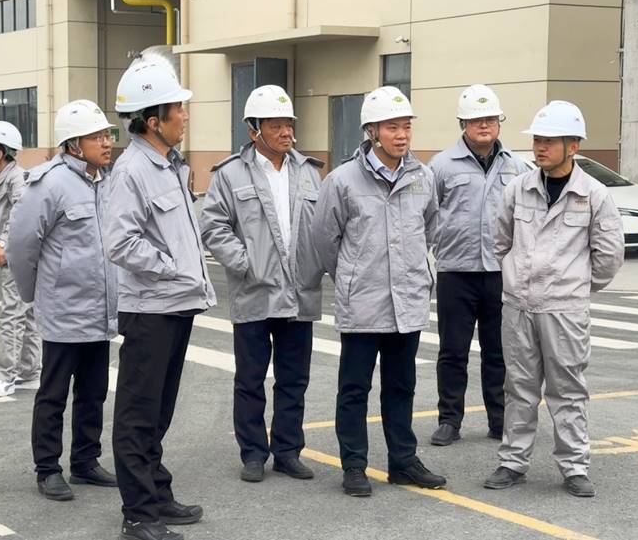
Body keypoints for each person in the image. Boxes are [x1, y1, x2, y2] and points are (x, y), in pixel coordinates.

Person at [483, 100, 625, 498]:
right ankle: (513, 462)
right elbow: (500, 240)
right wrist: (516, 278)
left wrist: (576, 288)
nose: (540, 148)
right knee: (518, 388)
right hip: (519, 307)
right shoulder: (518, 188)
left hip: (565, 311)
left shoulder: (593, 194)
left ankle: (575, 467)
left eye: (549, 141)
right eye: (537, 140)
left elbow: (609, 255)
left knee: (568, 390)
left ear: (573, 146)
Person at [312, 86, 446, 497]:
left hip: (407, 300)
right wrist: (352, 277)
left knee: (401, 387)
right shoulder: (342, 181)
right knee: (354, 390)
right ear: (372, 132)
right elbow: (324, 240)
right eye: (392, 127)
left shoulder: (422, 177)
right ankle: (354, 465)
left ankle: (403, 462)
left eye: (406, 126)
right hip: (363, 302)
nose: (402, 135)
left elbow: (431, 228)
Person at [106, 60, 216, 540]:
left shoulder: (171, 164)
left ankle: (156, 492)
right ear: (154, 121)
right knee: (138, 412)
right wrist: (173, 268)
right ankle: (138, 514)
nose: (185, 116)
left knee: (160, 409)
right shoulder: (132, 170)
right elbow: (120, 242)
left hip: (175, 304)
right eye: (179, 109)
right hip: (150, 307)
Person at [201, 85, 325, 483]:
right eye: (276, 125)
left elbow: (324, 226)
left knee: (294, 380)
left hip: (299, 293)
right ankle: (253, 453)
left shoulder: (308, 172)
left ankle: (288, 451)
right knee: (250, 380)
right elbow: (213, 226)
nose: (287, 132)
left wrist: (319, 266)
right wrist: (246, 264)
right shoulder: (230, 174)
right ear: (254, 130)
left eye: (289, 124)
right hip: (254, 292)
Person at [6, 100, 119, 501]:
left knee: (94, 392)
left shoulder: (105, 181)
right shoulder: (50, 184)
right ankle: (47, 469)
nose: (107, 142)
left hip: (100, 311)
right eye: (97, 137)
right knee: (53, 395)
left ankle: (86, 462)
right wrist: (34, 294)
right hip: (64, 311)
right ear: (73, 144)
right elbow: (21, 246)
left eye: (108, 135)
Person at [428, 84, 524, 446]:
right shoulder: (441, 166)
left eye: (490, 119)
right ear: (462, 123)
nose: (484, 125)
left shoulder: (516, 166)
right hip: (456, 272)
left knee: (498, 352)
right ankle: (449, 420)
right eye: (476, 120)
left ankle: (499, 419)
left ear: (499, 122)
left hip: (500, 273)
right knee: (453, 351)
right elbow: (427, 215)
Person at [0, 121, 41, 397]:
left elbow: (19, 214)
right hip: (21, 255)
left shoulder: (17, 179)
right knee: (25, 314)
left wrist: (3, 243)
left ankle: (6, 376)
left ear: (0, 152)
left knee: (11, 315)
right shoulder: (3, 176)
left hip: (17, 256)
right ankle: (30, 372)